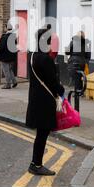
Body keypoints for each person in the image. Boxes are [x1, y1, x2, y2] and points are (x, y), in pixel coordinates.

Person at [26, 28, 65, 176]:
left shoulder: (33, 56)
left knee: (40, 135)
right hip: (45, 102)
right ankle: (36, 164)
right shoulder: (46, 59)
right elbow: (53, 83)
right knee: (42, 135)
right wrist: (61, 91)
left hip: (35, 100)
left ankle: (35, 163)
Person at [0, 24, 18, 89]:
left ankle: (8, 84)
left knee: (6, 70)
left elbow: (1, 47)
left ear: (6, 28)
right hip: (12, 56)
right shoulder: (14, 37)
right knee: (10, 69)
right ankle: (14, 81)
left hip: (5, 57)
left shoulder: (4, 37)